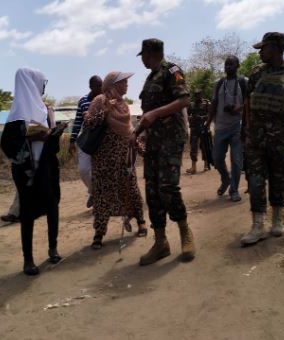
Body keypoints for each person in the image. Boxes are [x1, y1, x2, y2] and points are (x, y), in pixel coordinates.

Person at [240, 32, 284, 246]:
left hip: (280, 137)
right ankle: (258, 225)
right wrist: (245, 131)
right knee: (255, 180)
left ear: (276, 49)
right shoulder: (256, 73)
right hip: (255, 138)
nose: (260, 52)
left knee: (279, 178)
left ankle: (277, 221)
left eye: (263, 48)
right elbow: (248, 104)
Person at [133, 38, 195, 265]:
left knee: (168, 186)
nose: (143, 60)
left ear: (152, 53)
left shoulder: (173, 71)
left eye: (144, 56)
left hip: (172, 139)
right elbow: (148, 114)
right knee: (152, 189)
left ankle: (185, 232)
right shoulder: (150, 78)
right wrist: (136, 132)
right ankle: (161, 243)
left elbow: (184, 100)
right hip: (154, 142)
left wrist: (156, 114)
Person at [0, 67, 66, 275]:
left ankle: (53, 248)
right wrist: (30, 138)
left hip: (46, 167)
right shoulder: (16, 113)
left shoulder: (45, 110)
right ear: (31, 84)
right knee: (27, 213)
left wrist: (54, 134)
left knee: (52, 206)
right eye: (42, 84)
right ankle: (28, 260)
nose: (44, 88)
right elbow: (7, 145)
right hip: (26, 171)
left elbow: (53, 147)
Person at [83, 71, 148, 249]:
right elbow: (88, 122)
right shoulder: (99, 100)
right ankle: (99, 232)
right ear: (113, 84)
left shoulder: (123, 105)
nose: (127, 85)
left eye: (127, 82)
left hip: (123, 158)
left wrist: (140, 149)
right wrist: (105, 110)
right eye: (124, 82)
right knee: (102, 194)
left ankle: (141, 221)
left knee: (130, 188)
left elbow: (129, 133)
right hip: (103, 160)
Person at [0, 105, 57, 224]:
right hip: (26, 153)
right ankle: (16, 212)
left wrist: (50, 134)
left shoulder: (47, 109)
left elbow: (52, 128)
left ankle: (18, 212)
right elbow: (14, 136)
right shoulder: (21, 110)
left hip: (41, 151)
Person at [206, 56, 247, 202]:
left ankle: (234, 190)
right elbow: (214, 103)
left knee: (236, 160)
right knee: (217, 159)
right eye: (226, 65)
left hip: (237, 126)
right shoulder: (219, 83)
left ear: (238, 66)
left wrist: (239, 108)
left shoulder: (243, 82)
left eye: (231, 64)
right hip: (221, 127)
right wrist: (208, 122)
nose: (228, 67)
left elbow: (250, 102)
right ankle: (226, 179)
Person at [69, 76, 103, 208]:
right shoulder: (83, 101)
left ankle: (101, 198)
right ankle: (93, 191)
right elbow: (78, 121)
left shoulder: (106, 99)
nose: (100, 88)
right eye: (97, 86)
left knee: (101, 171)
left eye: (101, 85)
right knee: (83, 170)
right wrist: (72, 140)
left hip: (102, 140)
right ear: (91, 86)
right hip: (87, 139)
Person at [186, 89, 211, 174]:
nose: (197, 97)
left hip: (203, 128)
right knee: (193, 147)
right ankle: (193, 167)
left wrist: (202, 117)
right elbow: (188, 115)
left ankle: (206, 165)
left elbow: (210, 115)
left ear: (201, 95)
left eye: (199, 95)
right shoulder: (191, 104)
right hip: (194, 129)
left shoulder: (206, 103)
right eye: (196, 95)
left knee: (204, 146)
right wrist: (191, 118)